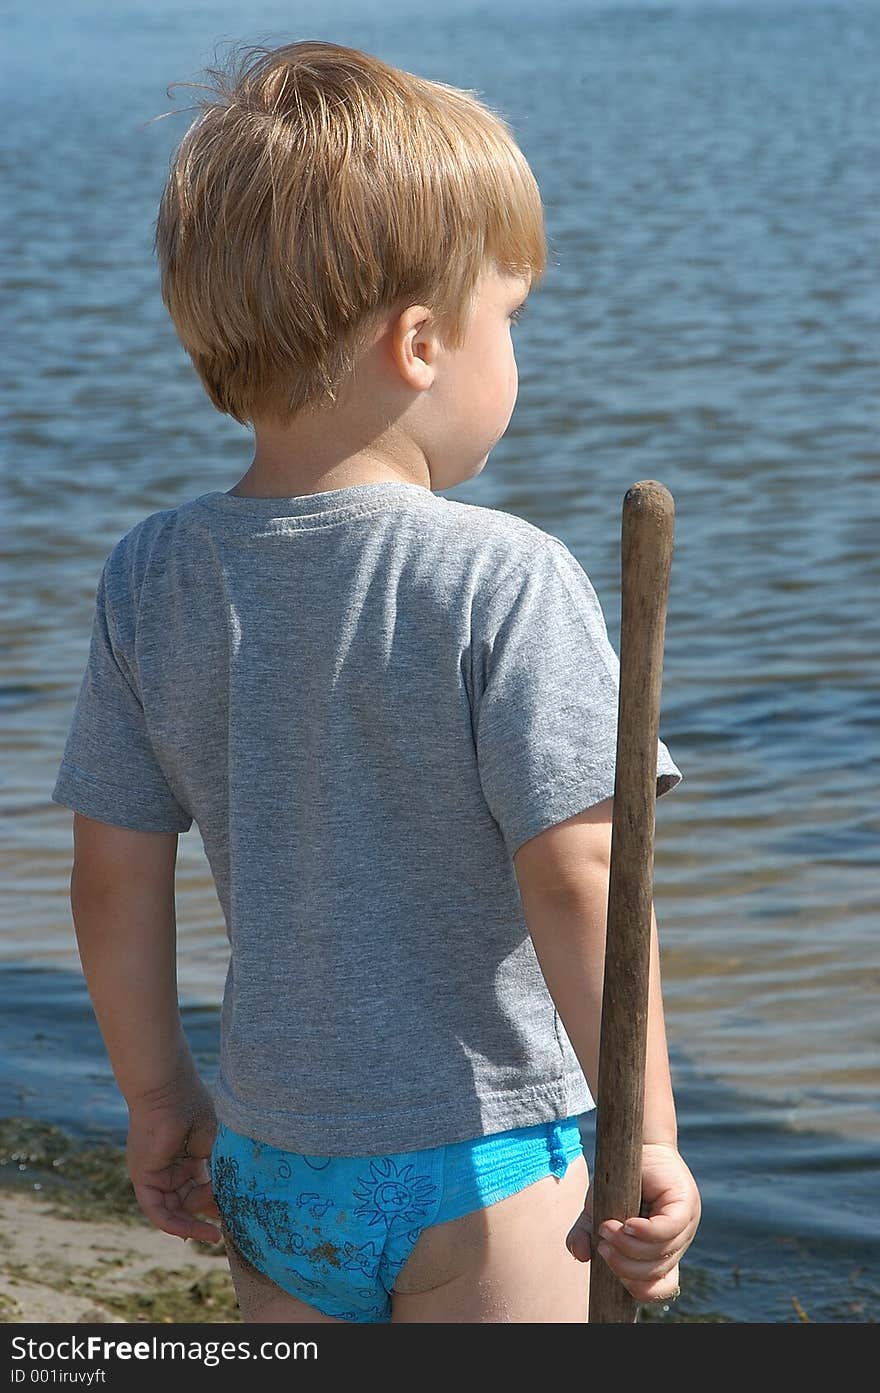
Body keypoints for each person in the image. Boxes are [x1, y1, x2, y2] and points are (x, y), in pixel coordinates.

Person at [51, 39, 701, 1324]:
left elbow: (111, 875)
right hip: (484, 1154)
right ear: (418, 342)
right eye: (506, 320)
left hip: (275, 1160)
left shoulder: (154, 574)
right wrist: (650, 1135)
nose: (516, 355)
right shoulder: (504, 575)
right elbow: (581, 873)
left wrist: (159, 1095)